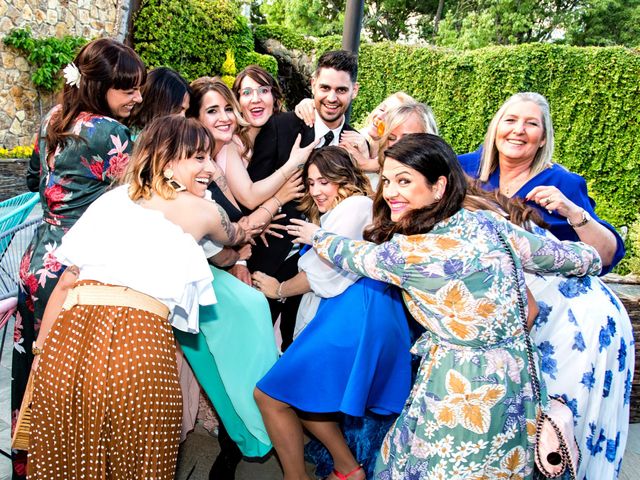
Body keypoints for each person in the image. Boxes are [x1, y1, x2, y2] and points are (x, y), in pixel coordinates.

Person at [288, 133, 602, 479]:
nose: (390, 191)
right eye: (388, 180)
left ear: (439, 186)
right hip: (515, 380)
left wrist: (316, 236)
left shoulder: (412, 253)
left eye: (404, 181)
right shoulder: (487, 223)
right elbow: (568, 257)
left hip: (459, 386)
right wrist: (586, 238)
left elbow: (355, 254)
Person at [27, 114, 247, 479]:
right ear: (164, 159)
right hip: (137, 345)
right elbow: (236, 232)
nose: (210, 167)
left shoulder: (109, 201)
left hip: (67, 345)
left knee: (66, 463)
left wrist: (40, 355)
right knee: (139, 465)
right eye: (199, 157)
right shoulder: (203, 210)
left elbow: (68, 281)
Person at [12, 37, 145, 479]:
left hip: (36, 262)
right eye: (127, 89)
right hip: (77, 267)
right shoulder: (112, 134)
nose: (138, 97)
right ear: (97, 86)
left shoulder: (53, 118)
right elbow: (146, 193)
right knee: (67, 384)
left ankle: (27, 466)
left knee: (32, 372)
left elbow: (34, 180)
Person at [252, 146, 412, 480]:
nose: (315, 190)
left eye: (324, 181)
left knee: (271, 394)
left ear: (345, 179)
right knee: (303, 397)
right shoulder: (352, 209)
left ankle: (305, 476)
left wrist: (277, 289)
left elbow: (321, 275)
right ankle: (347, 469)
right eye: (311, 183)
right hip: (355, 309)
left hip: (356, 310)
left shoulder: (354, 206)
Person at [248, 50, 361, 351]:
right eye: (325, 88)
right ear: (313, 85)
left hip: (324, 275)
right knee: (251, 348)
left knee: (299, 351)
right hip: (270, 257)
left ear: (354, 91)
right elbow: (251, 186)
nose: (332, 97)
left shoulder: (358, 145)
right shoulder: (282, 126)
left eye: (341, 89)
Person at [458, 91, 625, 274]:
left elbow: (607, 255)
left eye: (531, 123)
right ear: (496, 128)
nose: (519, 130)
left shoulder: (563, 183)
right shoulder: (461, 168)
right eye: (510, 120)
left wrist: (573, 212)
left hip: (539, 295)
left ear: (543, 139)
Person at [127, 66, 191, 138]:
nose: (183, 117)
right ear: (159, 104)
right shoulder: (129, 141)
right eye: (179, 109)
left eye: (185, 112)